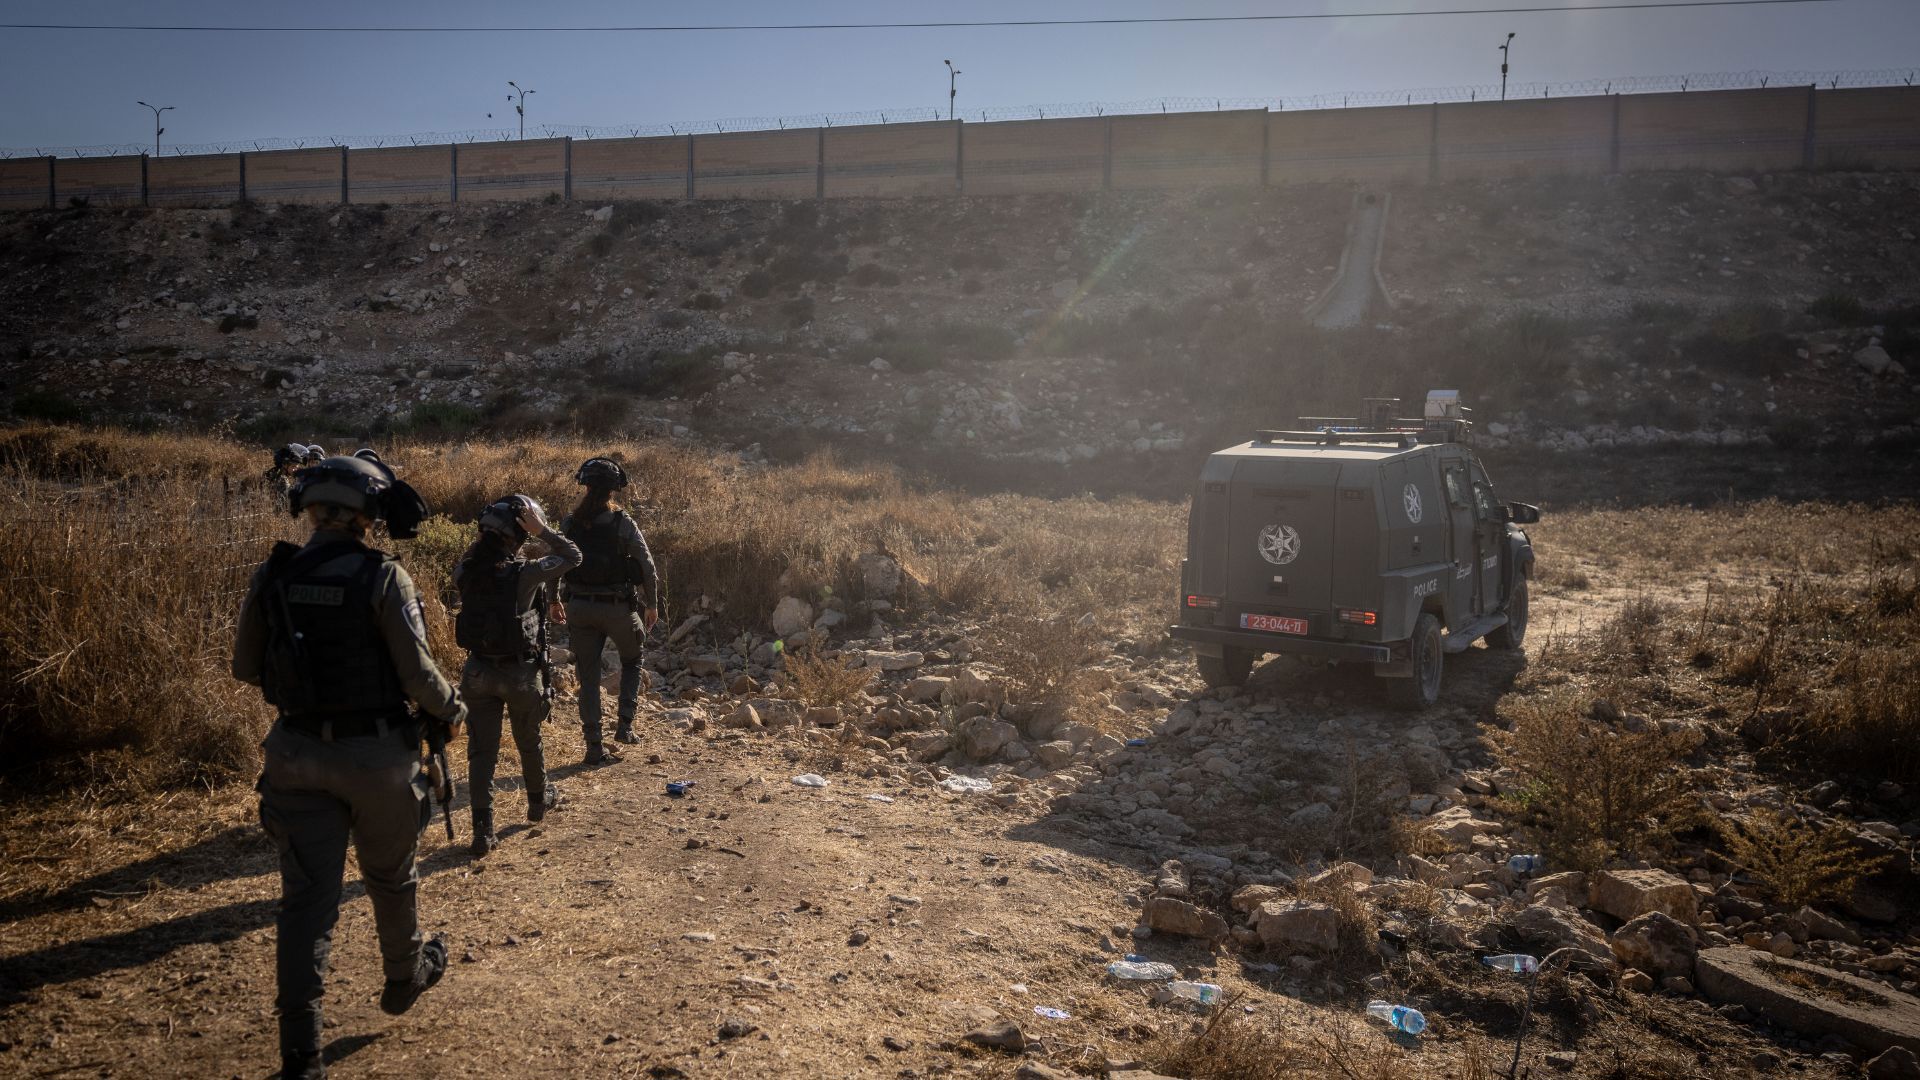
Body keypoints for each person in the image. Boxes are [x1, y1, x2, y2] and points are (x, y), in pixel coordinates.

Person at [232, 455, 466, 1080]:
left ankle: (301, 1050)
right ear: (368, 515)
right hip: (377, 757)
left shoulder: (275, 573)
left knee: (306, 901)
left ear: (308, 508)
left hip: (296, 753)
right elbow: (418, 675)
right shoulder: (384, 577)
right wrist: (453, 708)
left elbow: (243, 667)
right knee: (391, 875)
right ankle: (403, 975)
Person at [454, 494, 581, 856]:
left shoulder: (464, 571)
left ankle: (483, 831)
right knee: (529, 740)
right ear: (519, 535)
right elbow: (573, 556)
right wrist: (543, 531)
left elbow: (474, 560)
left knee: (481, 753)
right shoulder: (525, 573)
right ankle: (538, 803)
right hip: (520, 673)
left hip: (477, 671)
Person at [559, 457, 660, 764]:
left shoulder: (569, 524)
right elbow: (647, 566)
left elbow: (554, 565)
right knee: (633, 659)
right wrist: (653, 604)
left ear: (585, 486)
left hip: (579, 607)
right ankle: (625, 726)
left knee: (587, 678)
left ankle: (593, 747)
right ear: (615, 491)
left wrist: (553, 600)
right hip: (618, 608)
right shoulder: (622, 523)